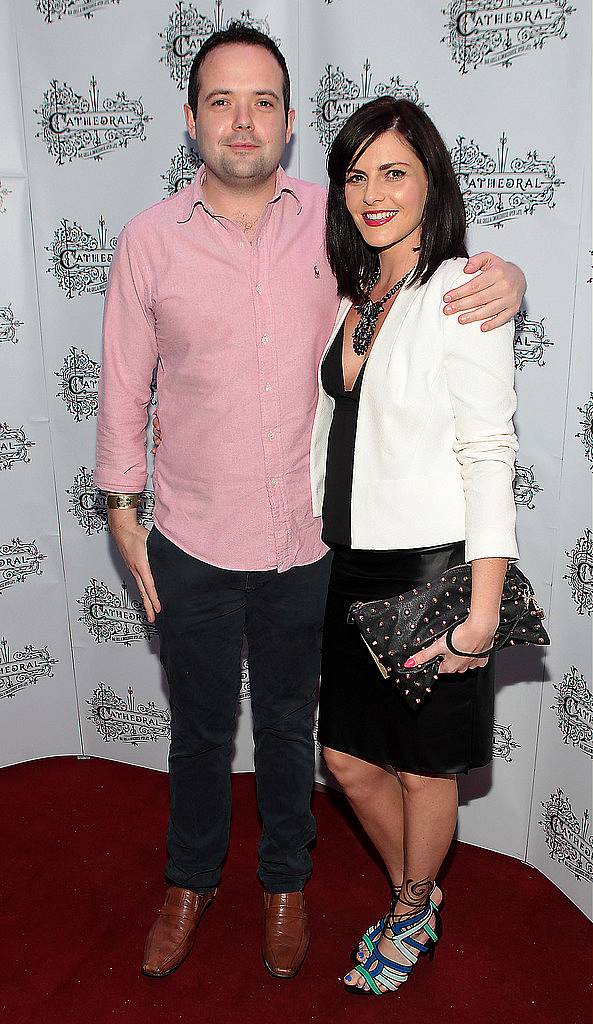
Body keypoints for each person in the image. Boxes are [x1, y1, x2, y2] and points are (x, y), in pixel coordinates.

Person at [94, 24, 525, 981]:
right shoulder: (145, 242)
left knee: (297, 734)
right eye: (220, 101)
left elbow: (432, 262)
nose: (241, 121)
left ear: (289, 123)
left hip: (309, 550)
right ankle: (189, 880)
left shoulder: (336, 220)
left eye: (261, 103)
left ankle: (285, 884)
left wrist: (509, 278)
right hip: (195, 539)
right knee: (201, 731)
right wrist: (123, 506)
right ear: (191, 119)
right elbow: (124, 386)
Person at [310, 95, 519, 995]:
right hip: (347, 567)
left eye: (393, 171)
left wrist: (480, 614)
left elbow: (487, 451)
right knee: (349, 761)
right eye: (356, 174)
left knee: (422, 766)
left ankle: (405, 906)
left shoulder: (458, 288)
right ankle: (418, 894)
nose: (372, 192)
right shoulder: (358, 296)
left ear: (430, 180)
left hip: (429, 571)